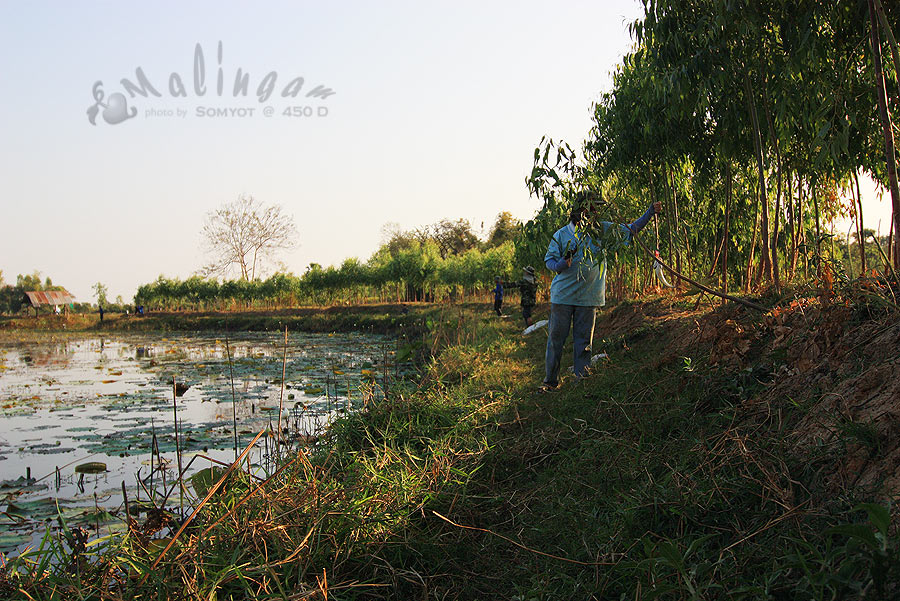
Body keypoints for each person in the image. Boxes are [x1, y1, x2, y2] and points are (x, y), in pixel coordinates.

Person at [541, 191, 662, 390]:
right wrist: (561, 264)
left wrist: (649, 213)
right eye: (591, 208)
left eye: (596, 209)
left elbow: (630, 230)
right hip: (562, 297)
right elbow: (549, 261)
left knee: (584, 342)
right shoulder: (562, 234)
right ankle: (550, 382)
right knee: (556, 340)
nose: (594, 212)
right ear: (580, 210)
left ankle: (582, 382)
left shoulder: (602, 230)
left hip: (589, 297)